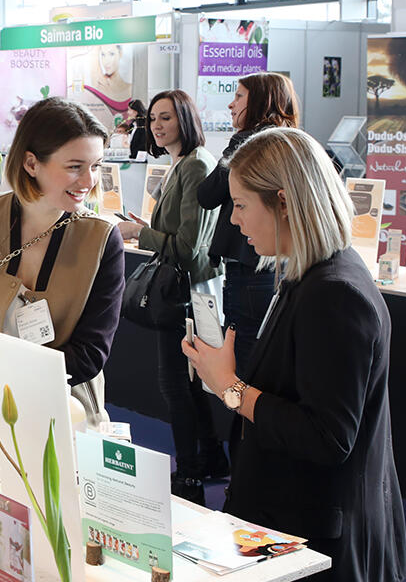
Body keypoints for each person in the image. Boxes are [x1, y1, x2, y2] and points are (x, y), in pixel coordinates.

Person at [183, 127, 406, 582]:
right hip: (293, 525)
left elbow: (327, 437)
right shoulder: (309, 275)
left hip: (319, 543)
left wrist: (231, 389)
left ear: (284, 202)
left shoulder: (335, 294)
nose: (233, 220)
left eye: (242, 205)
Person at [0, 98, 124, 424]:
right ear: (31, 163)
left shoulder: (101, 240)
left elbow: (91, 352)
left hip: (63, 414)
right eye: (74, 167)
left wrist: (10, 381)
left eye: (95, 166)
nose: (89, 181)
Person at [116, 90, 223, 504]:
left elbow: (187, 246)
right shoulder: (181, 163)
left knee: (176, 384)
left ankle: (191, 472)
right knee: (187, 383)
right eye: (153, 119)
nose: (157, 126)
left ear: (185, 119)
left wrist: (136, 233)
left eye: (165, 118)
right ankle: (210, 458)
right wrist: (145, 225)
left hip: (186, 292)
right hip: (185, 290)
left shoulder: (196, 165)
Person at [197, 72, 299, 431]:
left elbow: (207, 195)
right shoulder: (294, 142)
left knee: (245, 368)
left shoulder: (251, 146)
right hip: (272, 271)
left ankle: (245, 456)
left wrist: (235, 146)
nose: (231, 103)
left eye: (239, 97)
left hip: (250, 272)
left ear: (259, 101)